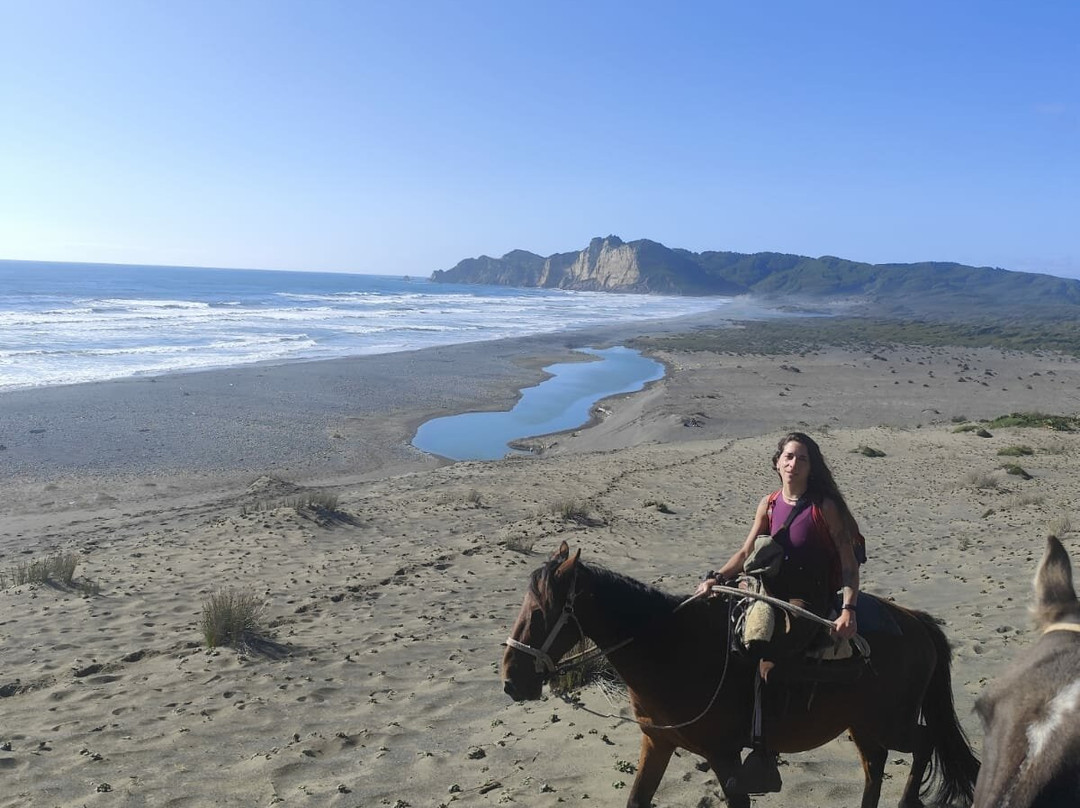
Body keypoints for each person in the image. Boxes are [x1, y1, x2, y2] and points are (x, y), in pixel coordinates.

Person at [695, 431, 863, 793]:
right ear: (777, 463)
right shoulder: (769, 504)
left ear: (811, 466)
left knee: (770, 659)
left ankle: (765, 750)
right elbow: (744, 554)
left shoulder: (825, 507)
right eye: (788, 457)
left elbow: (849, 564)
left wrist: (848, 608)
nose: (793, 464)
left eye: (802, 458)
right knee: (723, 639)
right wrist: (714, 578)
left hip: (807, 600)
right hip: (765, 592)